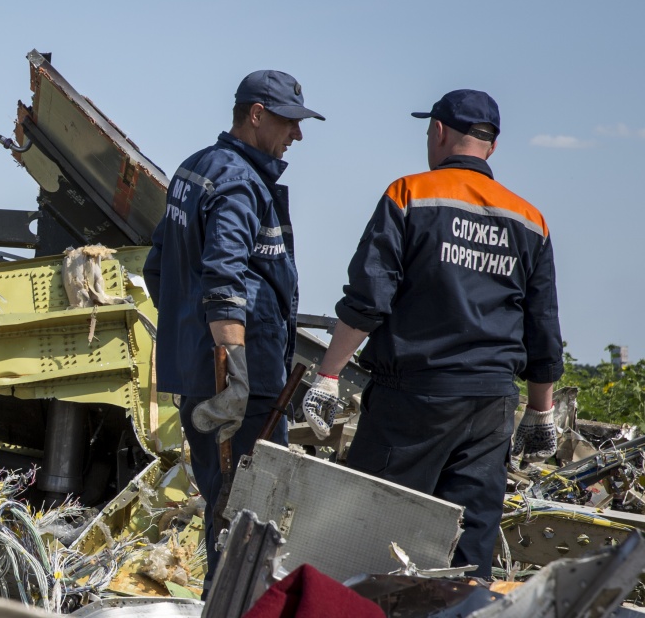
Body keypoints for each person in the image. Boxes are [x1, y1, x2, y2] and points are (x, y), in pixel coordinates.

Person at [301, 90, 562, 579]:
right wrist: (541, 410)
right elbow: (542, 325)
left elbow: (368, 300)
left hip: (414, 400)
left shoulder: (409, 195)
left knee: (371, 534)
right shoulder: (531, 220)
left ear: (439, 132)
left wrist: (328, 375)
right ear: (492, 146)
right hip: (490, 407)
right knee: (468, 549)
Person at [144, 70, 324, 586]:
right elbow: (224, 280)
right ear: (257, 114)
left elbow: (160, 267)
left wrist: (192, 340)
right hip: (242, 388)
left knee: (225, 506)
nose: (298, 135)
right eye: (290, 122)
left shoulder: (196, 168)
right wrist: (237, 377)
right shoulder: (240, 182)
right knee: (252, 516)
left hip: (208, 374)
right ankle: (234, 604)